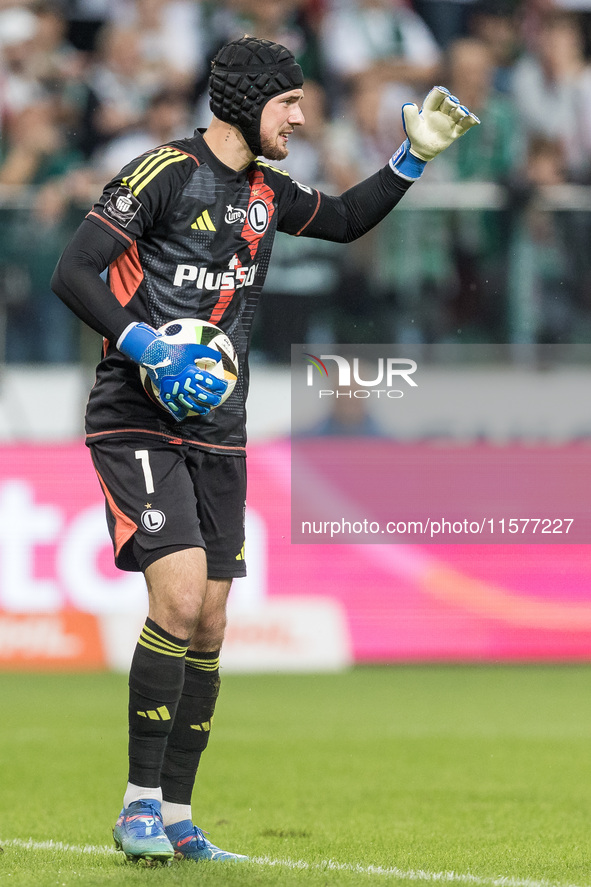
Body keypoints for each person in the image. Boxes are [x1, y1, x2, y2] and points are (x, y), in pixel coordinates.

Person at [51, 35, 479, 866]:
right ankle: (136, 806)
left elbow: (349, 221)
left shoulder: (266, 193)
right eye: (289, 103)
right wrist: (145, 344)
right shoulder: (162, 174)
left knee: (208, 625)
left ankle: (177, 814)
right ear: (248, 102)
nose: (301, 116)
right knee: (176, 600)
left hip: (221, 428)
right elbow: (76, 269)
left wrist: (411, 156)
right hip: (136, 416)